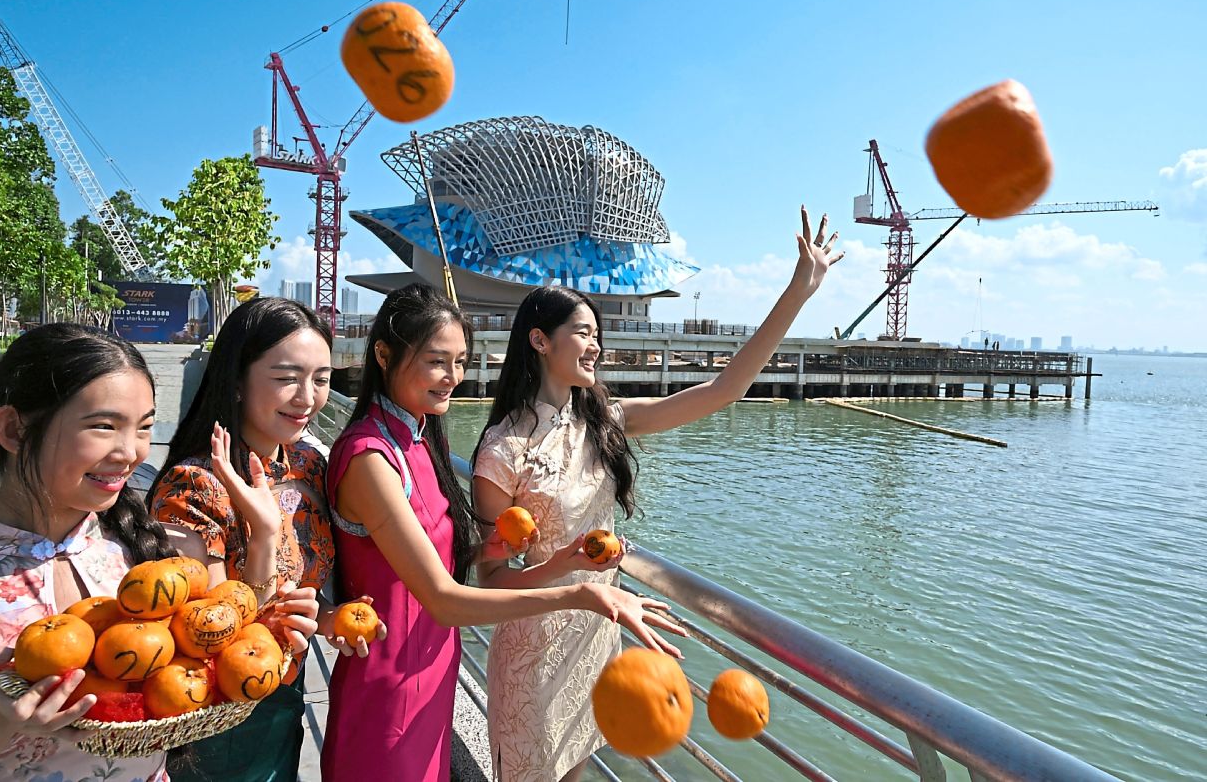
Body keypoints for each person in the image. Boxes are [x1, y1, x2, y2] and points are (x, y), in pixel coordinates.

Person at [472, 206, 843, 782]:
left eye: (599, 334)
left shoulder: (607, 423)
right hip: (533, 648)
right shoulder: (502, 451)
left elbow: (726, 389)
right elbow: (489, 583)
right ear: (540, 340)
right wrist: (567, 562)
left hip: (597, 637)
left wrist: (799, 291)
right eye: (583, 333)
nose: (595, 346)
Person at [320, 283, 684, 782]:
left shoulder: (420, 444)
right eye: (436, 361)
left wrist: (504, 552)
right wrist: (579, 592)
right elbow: (446, 600)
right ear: (383, 354)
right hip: (387, 688)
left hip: (432, 677)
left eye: (460, 361)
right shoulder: (371, 458)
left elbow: (456, 564)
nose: (452, 377)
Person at [0, 323, 179, 782]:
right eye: (104, 426)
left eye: (144, 428)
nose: (131, 453)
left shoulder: (137, 552)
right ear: (12, 429)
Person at [148, 298, 337, 782]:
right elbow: (204, 636)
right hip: (220, 717)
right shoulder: (193, 487)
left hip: (285, 696)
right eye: (286, 377)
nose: (307, 397)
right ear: (236, 379)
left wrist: (326, 618)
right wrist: (264, 538)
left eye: (321, 378)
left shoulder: (306, 466)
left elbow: (301, 593)